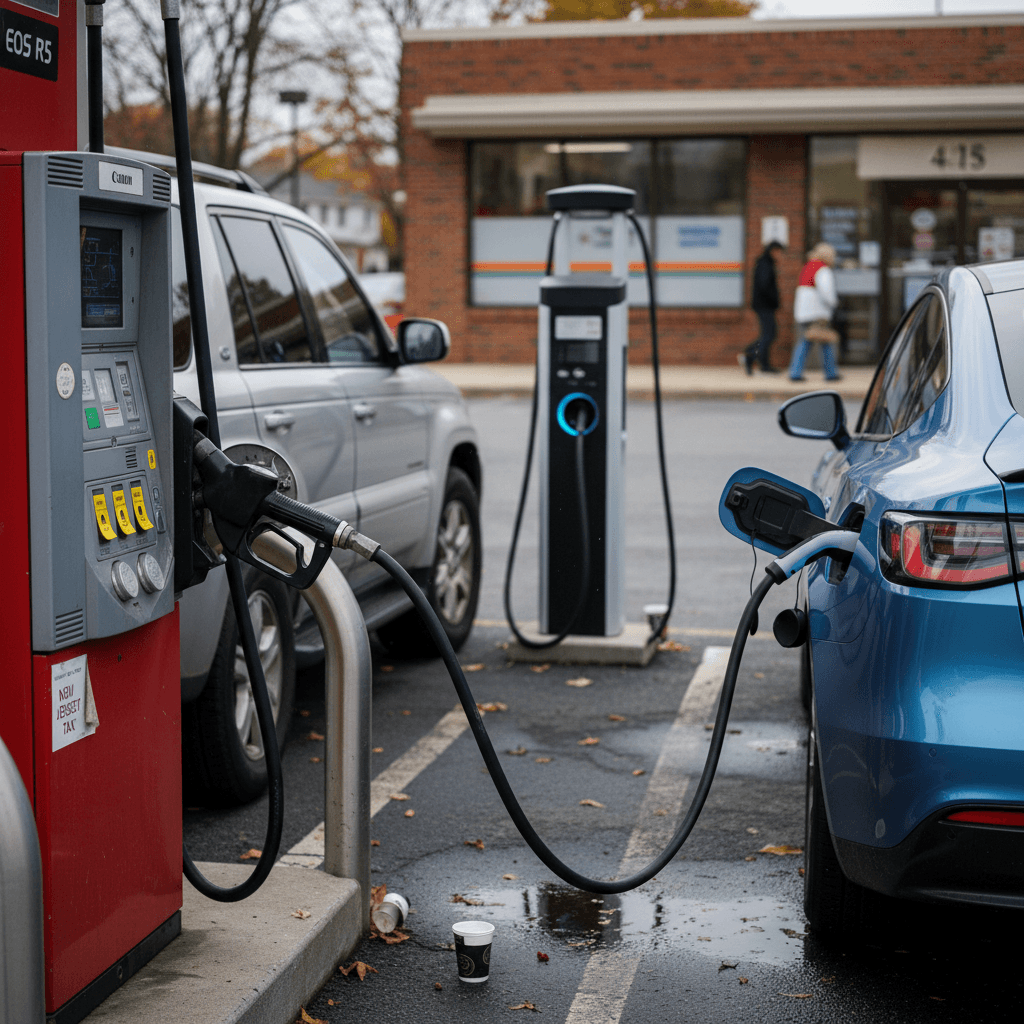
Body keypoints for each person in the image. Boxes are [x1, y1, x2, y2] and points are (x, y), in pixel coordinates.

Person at [788, 242, 840, 382]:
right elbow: (827, 292)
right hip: (818, 312)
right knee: (825, 341)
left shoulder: (808, 267)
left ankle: (795, 372)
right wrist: (834, 303)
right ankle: (830, 373)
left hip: (804, 312)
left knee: (806, 341)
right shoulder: (823, 270)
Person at [742, 241, 783, 374]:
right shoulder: (765, 264)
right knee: (769, 334)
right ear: (773, 250)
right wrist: (774, 300)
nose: (781, 255)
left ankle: (754, 358)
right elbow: (764, 285)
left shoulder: (765, 263)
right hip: (764, 305)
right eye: (779, 252)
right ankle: (754, 357)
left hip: (763, 304)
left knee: (768, 334)